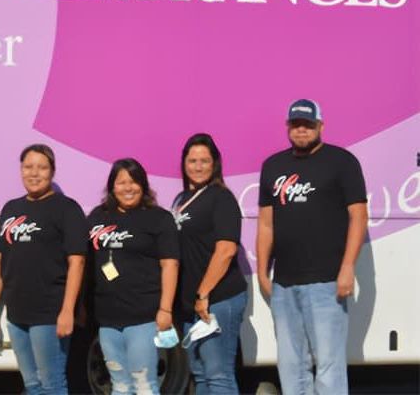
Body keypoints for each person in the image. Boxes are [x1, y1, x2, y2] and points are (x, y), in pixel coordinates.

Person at [256, 99, 368, 395]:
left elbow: (359, 216)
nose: (302, 130)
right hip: (284, 284)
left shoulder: (342, 162)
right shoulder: (273, 166)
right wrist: (262, 271)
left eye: (308, 124)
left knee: (329, 367)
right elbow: (266, 224)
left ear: (321, 125)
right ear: (288, 127)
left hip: (327, 283)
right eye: (296, 124)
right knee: (291, 367)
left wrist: (347, 268)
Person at [0, 143, 87, 395]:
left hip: (49, 314)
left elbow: (77, 262)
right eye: (28, 167)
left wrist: (67, 311)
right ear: (21, 170)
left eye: (42, 167)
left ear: (52, 171)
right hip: (17, 314)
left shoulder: (67, 209)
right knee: (31, 385)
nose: (34, 173)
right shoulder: (11, 209)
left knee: (51, 384)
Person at [87, 158, 179, 395]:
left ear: (143, 185)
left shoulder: (159, 218)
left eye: (134, 182)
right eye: (121, 182)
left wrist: (165, 309)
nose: (128, 188)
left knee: (144, 385)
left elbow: (170, 265)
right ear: (112, 187)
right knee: (119, 386)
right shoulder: (97, 217)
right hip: (107, 321)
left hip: (144, 319)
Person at [172, 133, 247, 395]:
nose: (198, 166)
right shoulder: (180, 200)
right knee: (200, 375)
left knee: (218, 375)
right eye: (192, 160)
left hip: (217, 298)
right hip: (191, 304)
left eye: (204, 160)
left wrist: (203, 294)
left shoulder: (221, 198)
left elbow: (226, 250)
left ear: (215, 163)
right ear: (184, 163)